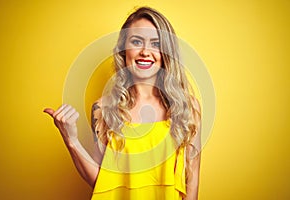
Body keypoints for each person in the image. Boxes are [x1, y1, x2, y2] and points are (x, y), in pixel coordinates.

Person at [44, 6, 201, 200]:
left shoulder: (187, 108)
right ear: (123, 50)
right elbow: (101, 181)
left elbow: (191, 185)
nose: (145, 51)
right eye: (136, 41)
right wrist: (71, 140)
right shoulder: (103, 109)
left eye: (155, 43)